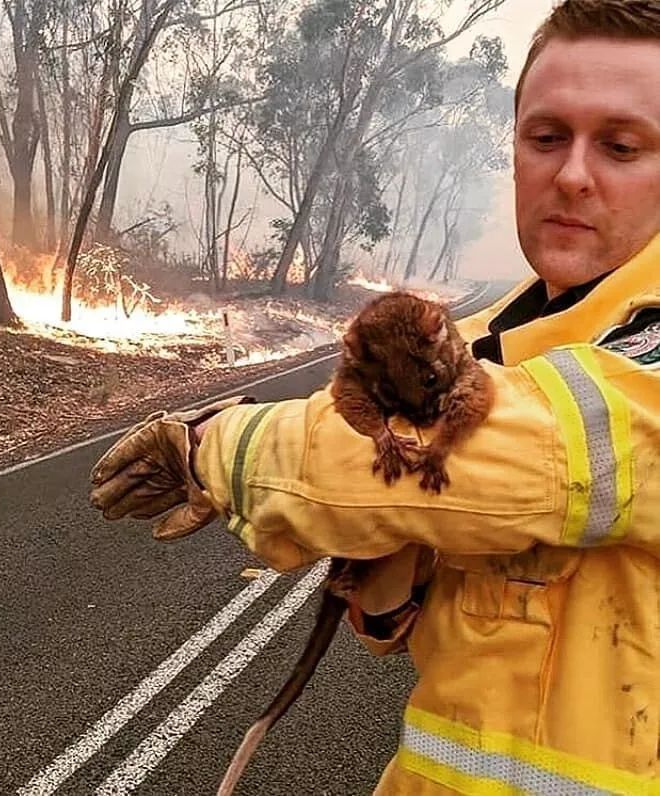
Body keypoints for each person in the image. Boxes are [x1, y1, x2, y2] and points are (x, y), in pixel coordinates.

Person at [90, 1, 660, 792]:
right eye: (546, 137)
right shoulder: (487, 333)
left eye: (623, 146)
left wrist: (215, 444)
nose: (571, 174)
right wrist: (394, 584)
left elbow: (513, 449)